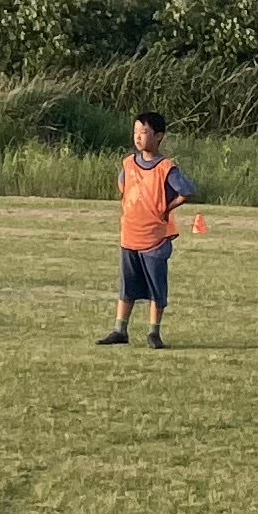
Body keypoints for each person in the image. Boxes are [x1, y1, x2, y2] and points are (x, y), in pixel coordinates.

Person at [97, 111, 197, 349]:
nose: (138, 137)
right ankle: (120, 329)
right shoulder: (129, 163)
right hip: (130, 235)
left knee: (156, 288)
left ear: (159, 136)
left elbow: (186, 190)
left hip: (155, 239)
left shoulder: (166, 167)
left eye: (144, 132)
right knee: (127, 286)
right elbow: (123, 184)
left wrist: (166, 207)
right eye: (135, 132)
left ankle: (154, 332)